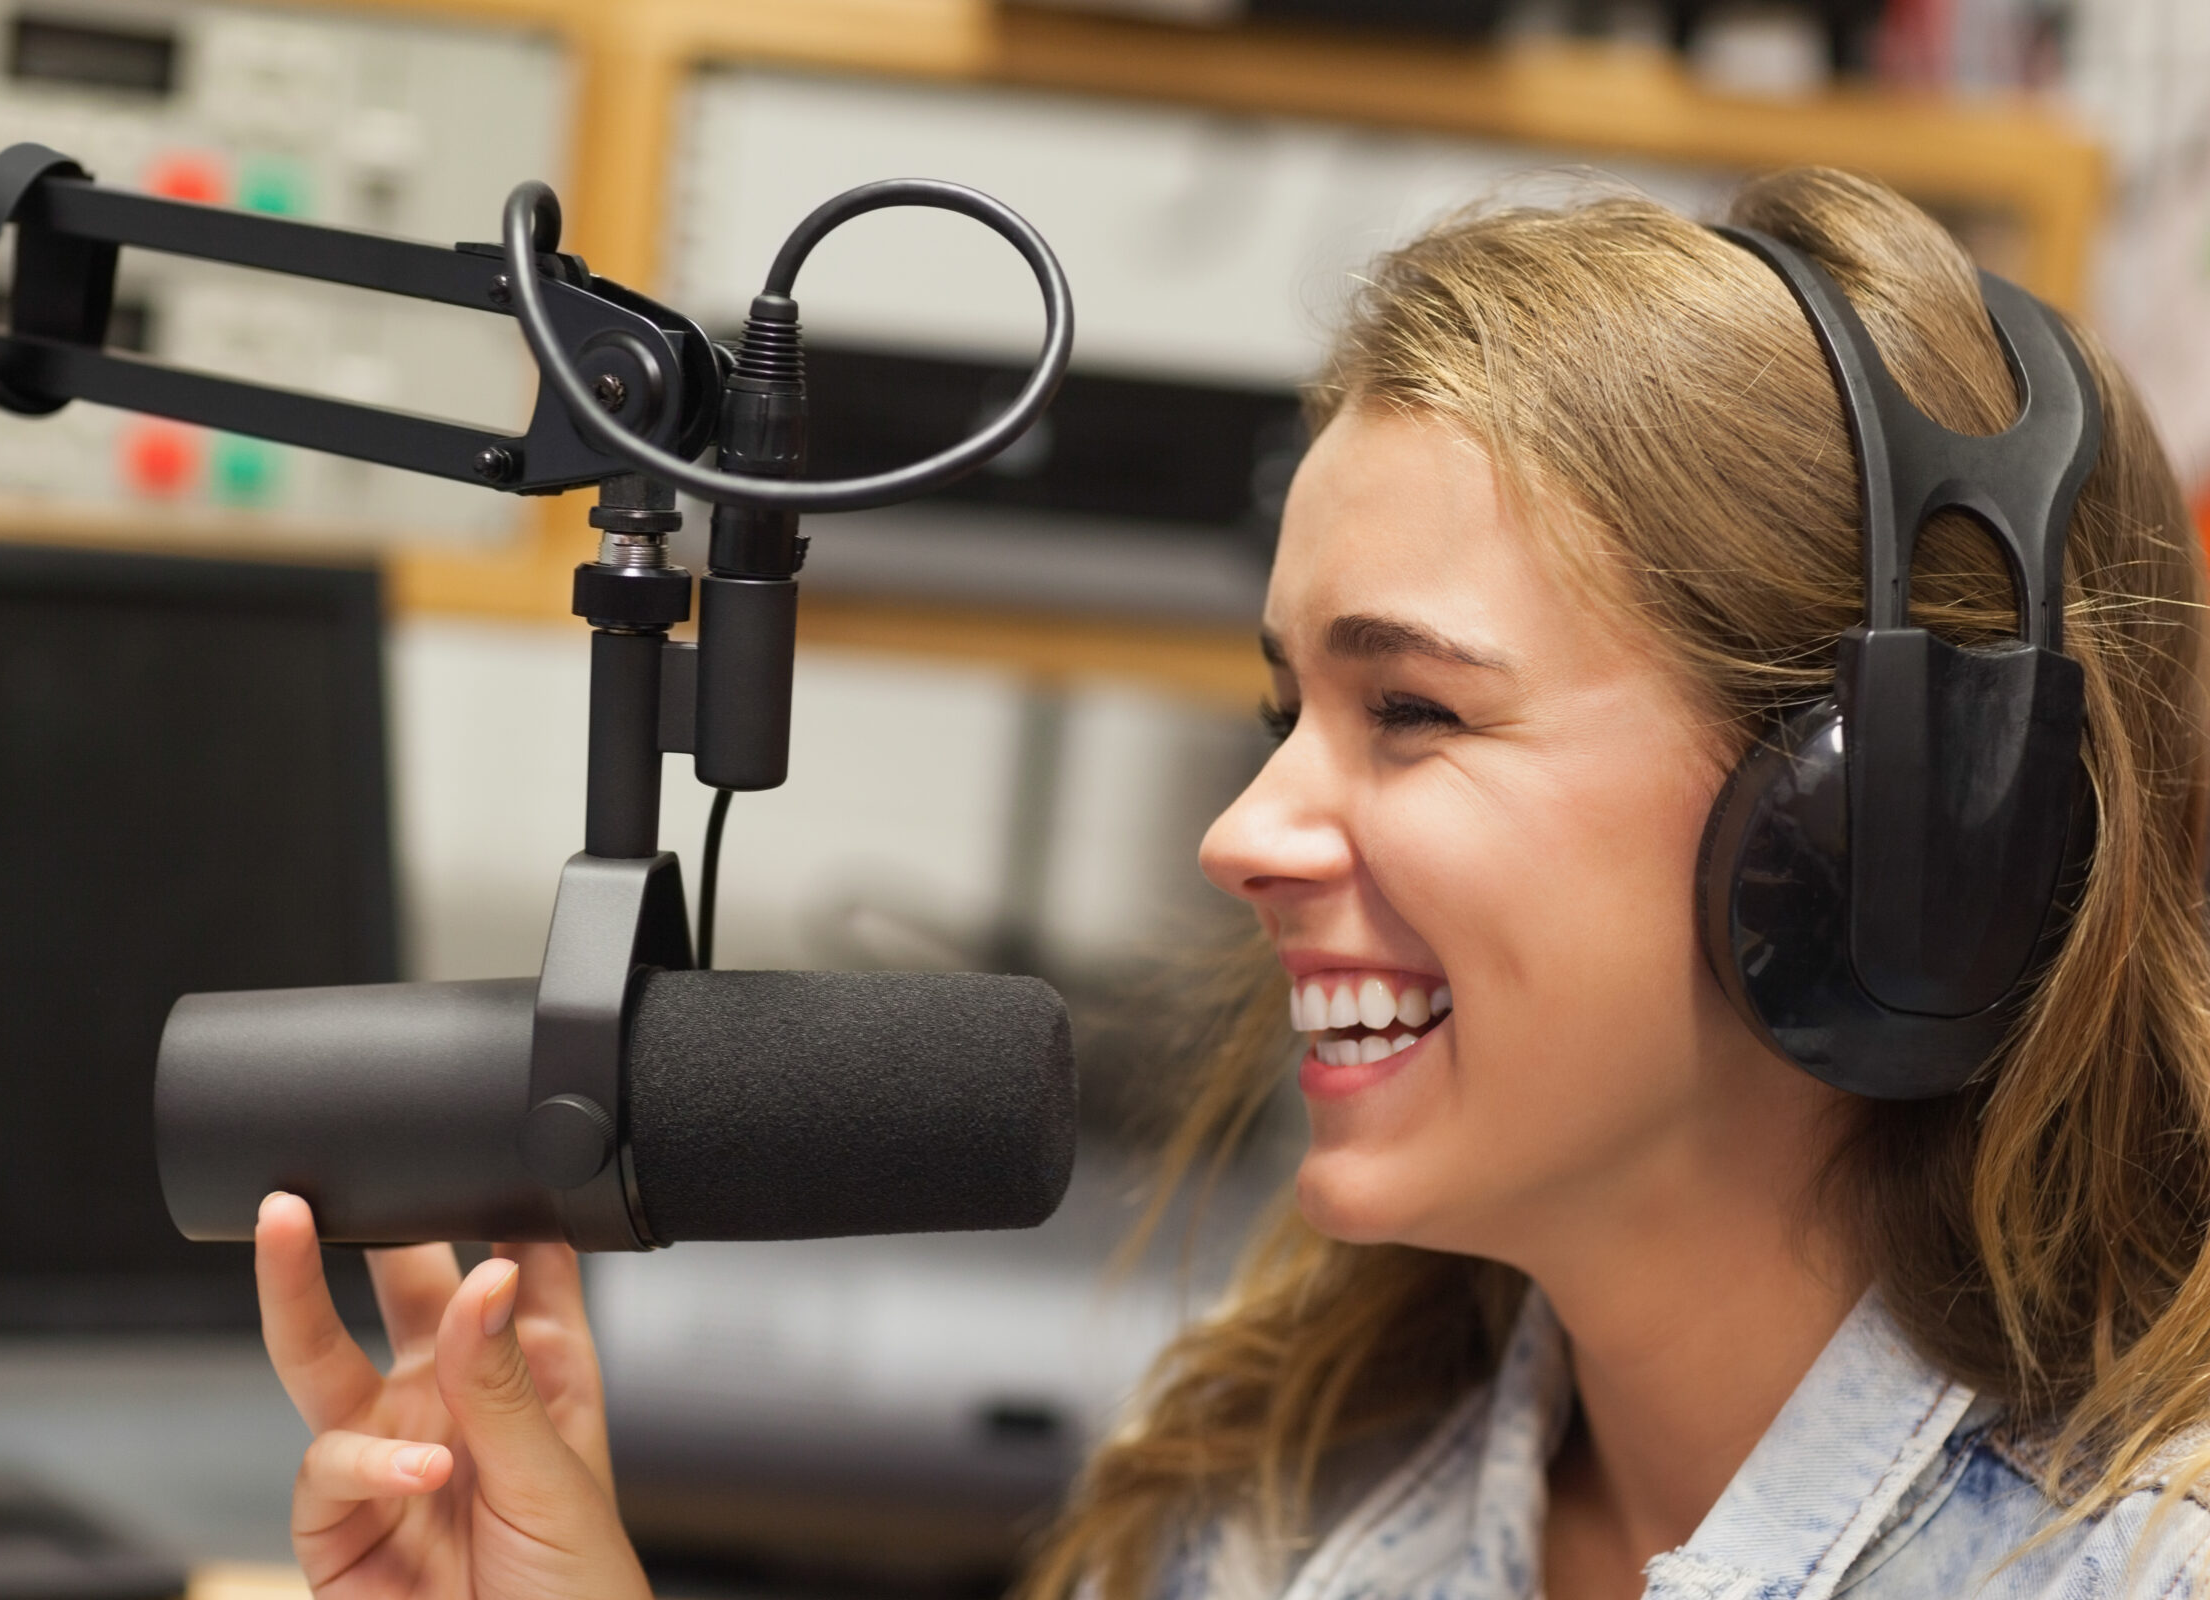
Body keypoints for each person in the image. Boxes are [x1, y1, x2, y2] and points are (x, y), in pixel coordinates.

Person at [251, 166, 2210, 1600]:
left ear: (1899, 821)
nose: (1246, 832)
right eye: (1287, 705)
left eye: (1415, 709)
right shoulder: (1268, 1515)